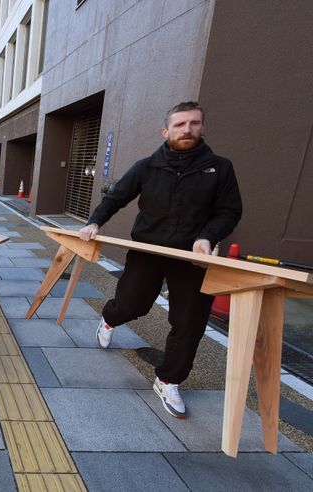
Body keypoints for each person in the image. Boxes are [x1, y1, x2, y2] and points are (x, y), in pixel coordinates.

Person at [79, 101, 242, 419]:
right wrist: (94, 222)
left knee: (189, 323)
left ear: (202, 127)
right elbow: (116, 196)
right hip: (147, 251)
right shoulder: (147, 166)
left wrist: (207, 236)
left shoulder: (219, 168)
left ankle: (168, 379)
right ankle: (111, 318)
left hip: (192, 258)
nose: (187, 129)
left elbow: (230, 211)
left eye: (194, 123)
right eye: (180, 124)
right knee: (132, 305)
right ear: (166, 131)